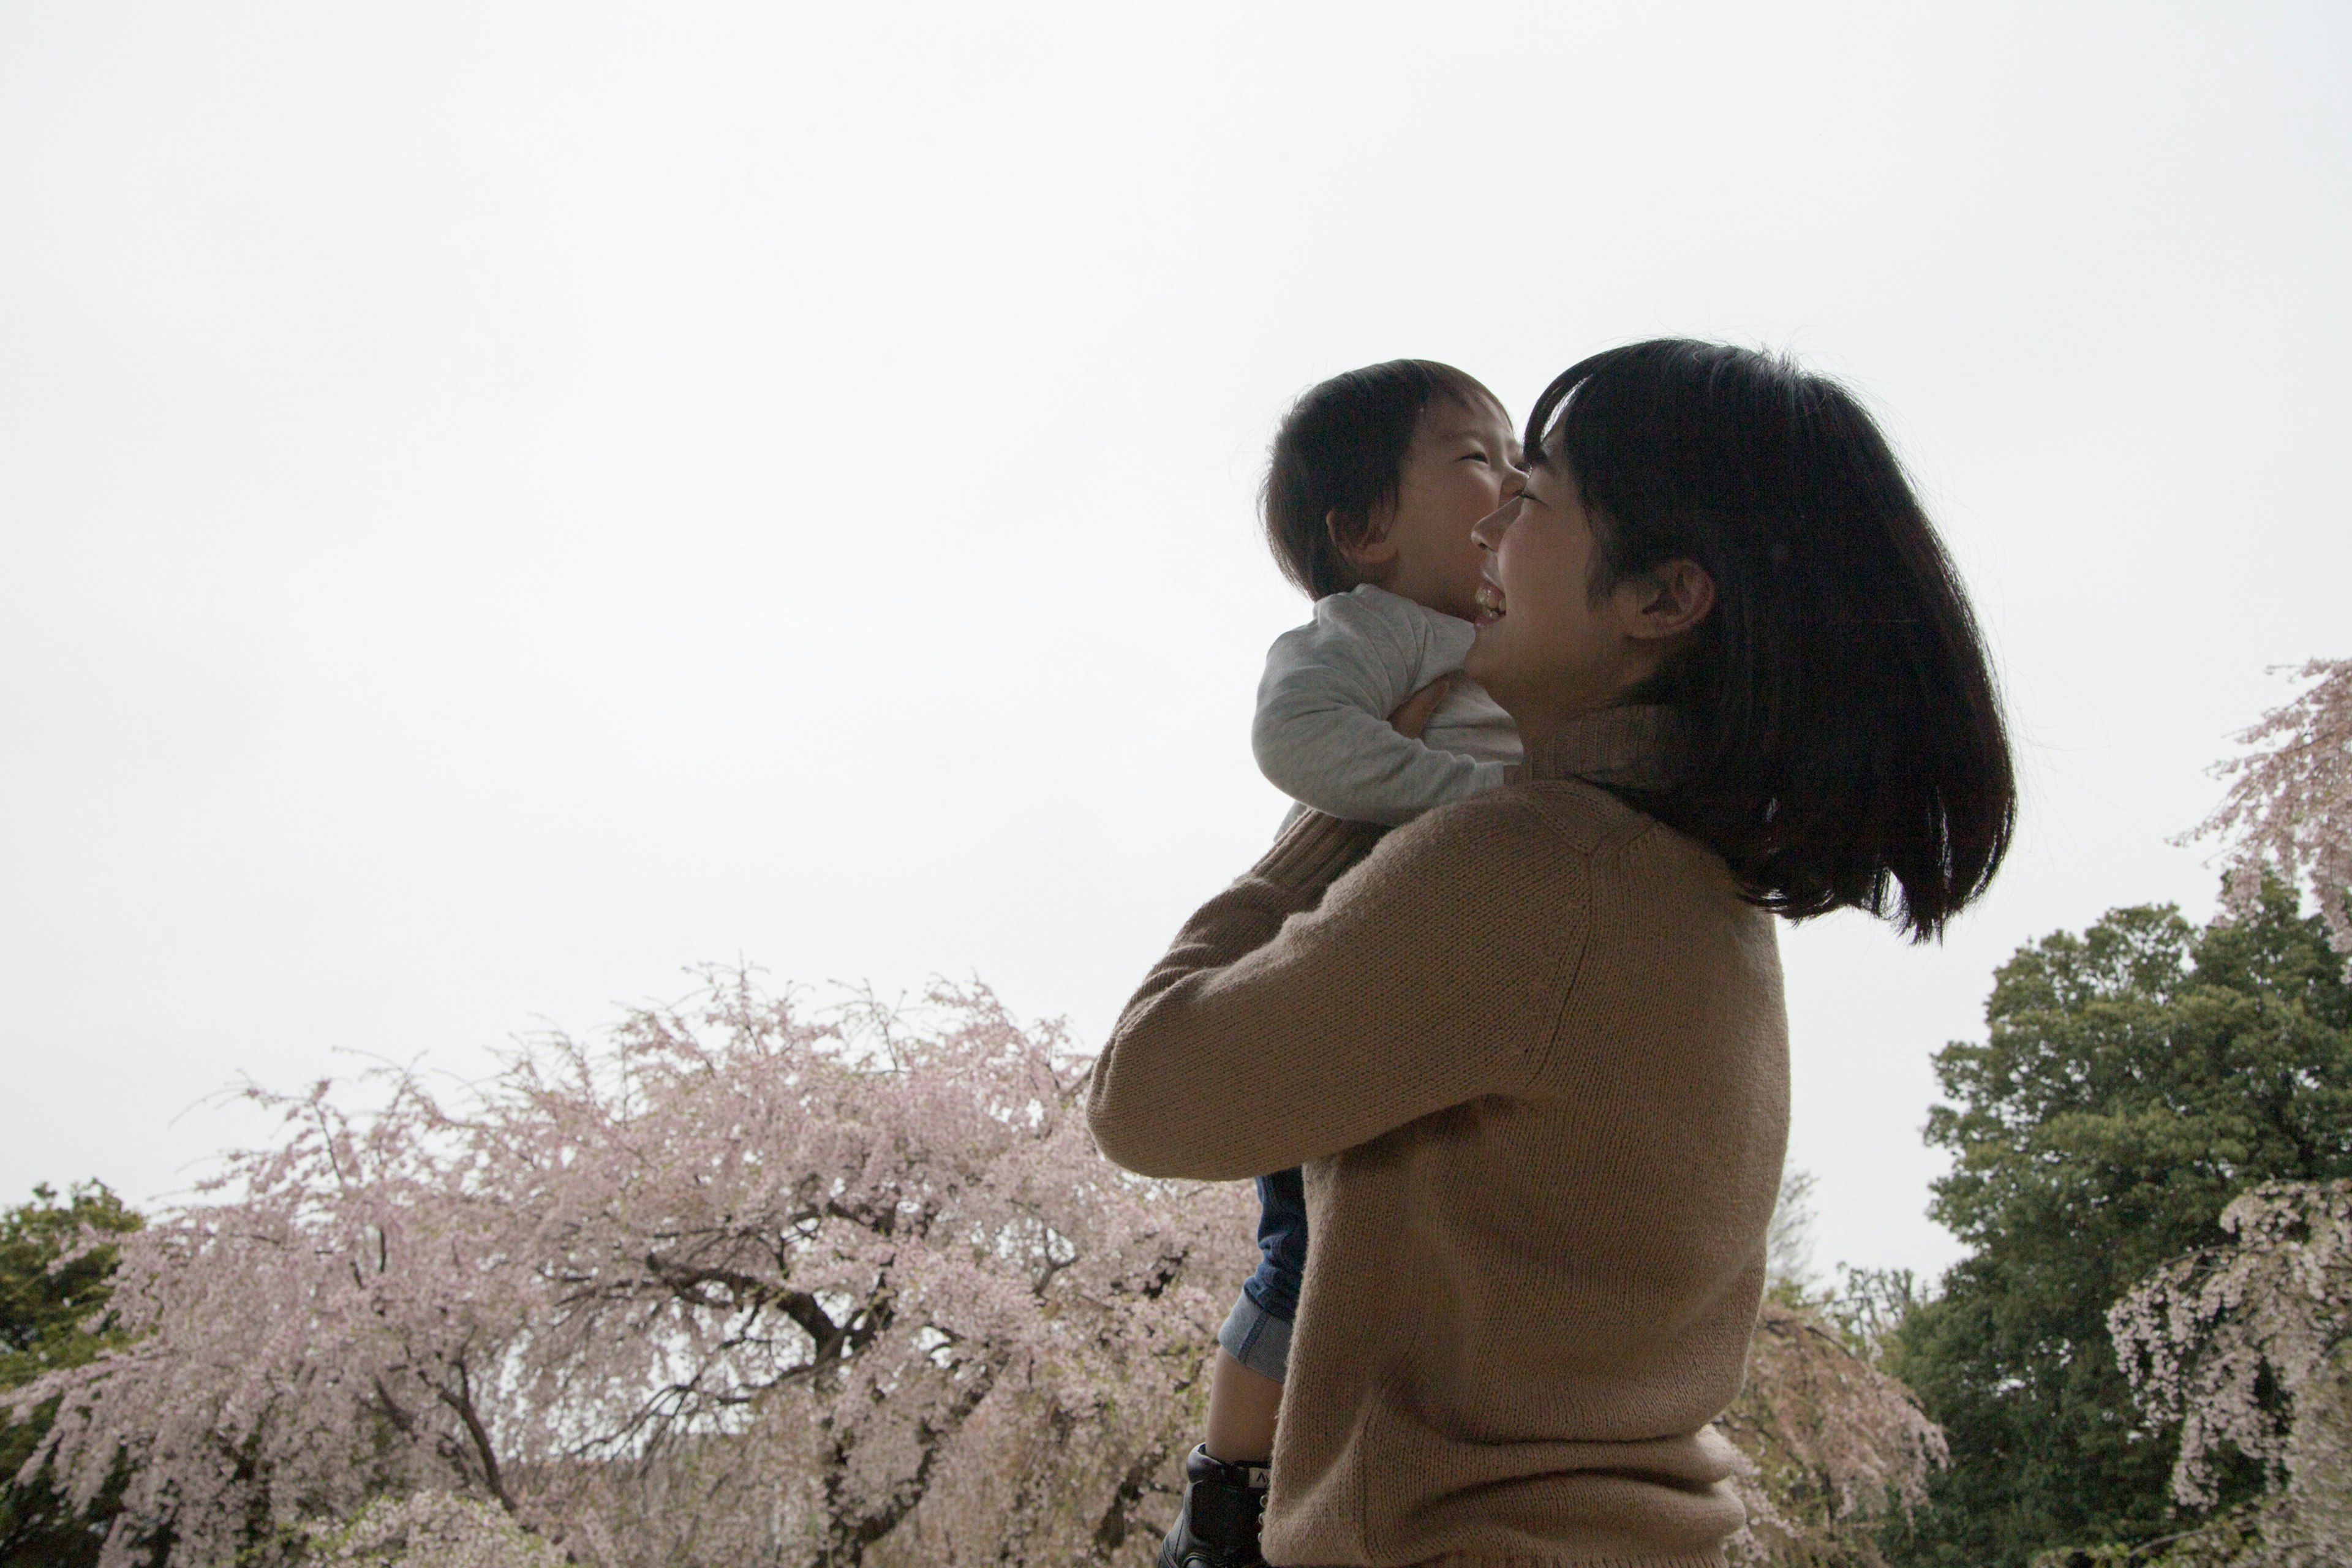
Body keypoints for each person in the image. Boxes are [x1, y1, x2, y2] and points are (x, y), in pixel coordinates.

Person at [1090, 339, 2015, 1568]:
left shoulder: (1532, 866)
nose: (1488, 534)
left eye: (1530, 497)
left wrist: (1334, 818)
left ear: (1662, 599)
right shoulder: (1686, 880)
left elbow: (1147, 1095)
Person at [1158, 360, 1526, 1568]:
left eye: (1519, 451)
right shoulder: (1370, 631)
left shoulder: (1523, 634)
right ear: (1367, 530)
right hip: (1334, 978)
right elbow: (1298, 734)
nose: (1515, 478)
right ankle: (1228, 1489)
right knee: (1304, 1249)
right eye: (1477, 456)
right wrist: (1472, 799)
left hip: (1448, 999)